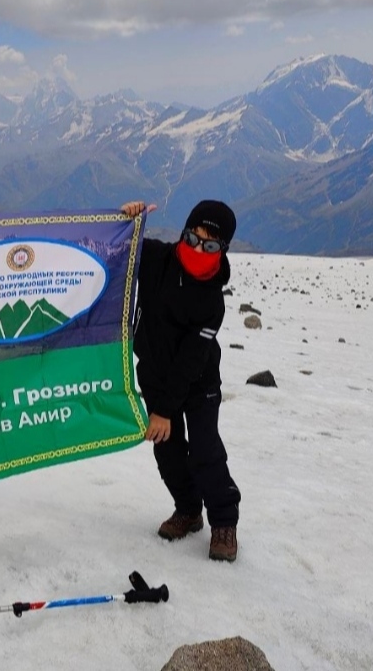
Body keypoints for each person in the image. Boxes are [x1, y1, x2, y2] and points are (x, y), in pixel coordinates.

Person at [120, 199, 241, 562]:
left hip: (198, 381)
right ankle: (188, 511)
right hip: (154, 372)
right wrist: (126, 221)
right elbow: (117, 249)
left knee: (205, 451)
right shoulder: (157, 259)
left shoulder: (211, 304)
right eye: (192, 236)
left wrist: (164, 410)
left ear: (223, 248)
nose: (197, 247)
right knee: (168, 450)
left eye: (210, 243)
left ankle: (224, 521)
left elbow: (189, 362)